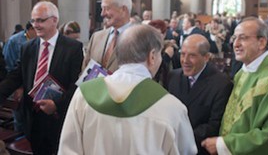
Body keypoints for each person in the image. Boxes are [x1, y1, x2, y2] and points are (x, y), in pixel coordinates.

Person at [58, 25, 198, 155]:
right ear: (152, 56)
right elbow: (186, 151)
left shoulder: (83, 95)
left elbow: (67, 150)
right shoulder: (172, 107)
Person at [201, 17, 268, 155]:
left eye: (243, 38)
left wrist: (225, 144)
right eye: (235, 38)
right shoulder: (242, 74)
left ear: (261, 42)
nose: (235, 44)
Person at [0, 1, 83, 155]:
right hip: (32, 119)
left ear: (54, 20)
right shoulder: (27, 47)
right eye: (33, 20)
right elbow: (16, 76)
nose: (35, 25)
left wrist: (56, 105)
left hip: (59, 118)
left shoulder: (73, 48)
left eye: (40, 20)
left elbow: (75, 85)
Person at [167, 34, 233, 155]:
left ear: (206, 57)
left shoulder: (222, 83)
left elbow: (214, 124)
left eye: (192, 55)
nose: (185, 60)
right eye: (182, 54)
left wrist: (180, 138)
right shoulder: (173, 77)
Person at [82, 0, 132, 72]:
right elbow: (84, 71)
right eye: (102, 9)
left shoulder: (140, 39)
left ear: (123, 10)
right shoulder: (96, 37)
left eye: (107, 8)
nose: (102, 14)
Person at [2, 21, 37, 131]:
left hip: (30, 86)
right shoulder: (14, 41)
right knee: (19, 116)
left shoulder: (38, 41)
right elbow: (9, 66)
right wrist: (18, 87)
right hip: (15, 85)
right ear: (31, 29)